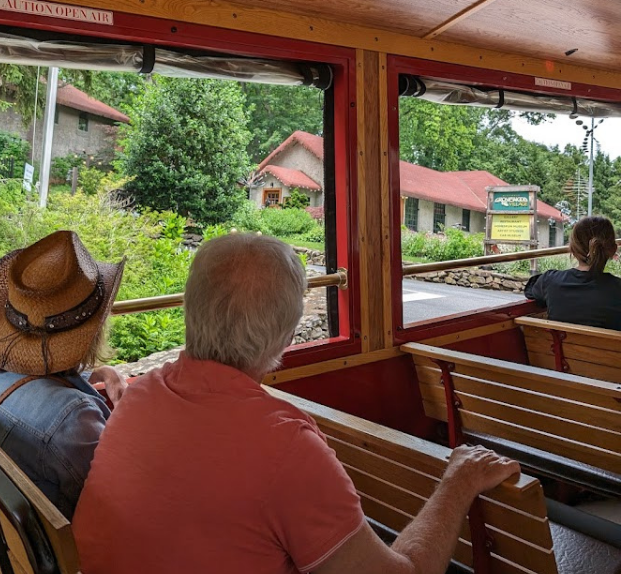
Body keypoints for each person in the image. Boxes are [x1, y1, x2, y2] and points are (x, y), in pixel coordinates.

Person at [73, 233, 519, 574]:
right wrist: (457, 483)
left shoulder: (139, 396)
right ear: (287, 336)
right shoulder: (286, 447)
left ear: (190, 310)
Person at [0, 230, 127, 518]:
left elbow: (37, 397)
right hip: (67, 555)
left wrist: (101, 373)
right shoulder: (72, 420)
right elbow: (118, 501)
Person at [525, 215, 621, 329]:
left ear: (572, 249)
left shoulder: (549, 281)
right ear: (613, 249)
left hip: (560, 346)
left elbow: (531, 291)